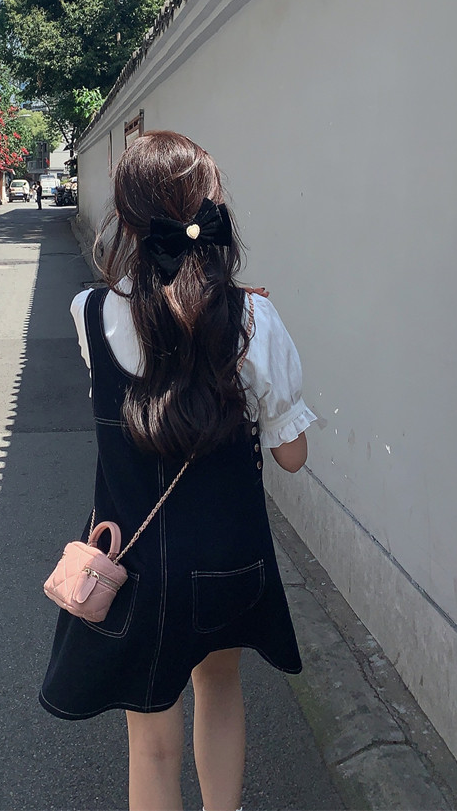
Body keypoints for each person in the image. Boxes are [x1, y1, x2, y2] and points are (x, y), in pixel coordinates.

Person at [39, 131, 315, 811]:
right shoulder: (253, 316)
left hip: (136, 565)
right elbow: (292, 455)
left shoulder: (89, 312)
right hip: (226, 558)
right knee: (220, 689)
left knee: (150, 741)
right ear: (210, 208)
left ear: (126, 215)